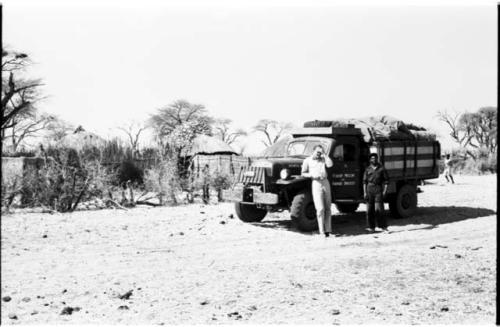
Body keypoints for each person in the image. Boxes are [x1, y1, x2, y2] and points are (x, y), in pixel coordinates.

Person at [301, 145, 334, 237]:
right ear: (313, 151)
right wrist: (311, 175)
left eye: (320, 152)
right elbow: (303, 173)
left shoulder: (323, 159)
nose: (319, 154)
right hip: (316, 183)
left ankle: (328, 230)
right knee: (320, 209)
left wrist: (325, 155)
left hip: (325, 182)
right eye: (317, 152)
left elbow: (330, 164)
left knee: (328, 207)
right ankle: (321, 231)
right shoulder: (307, 160)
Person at [363, 153, 389, 232]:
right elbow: (364, 182)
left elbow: (387, 181)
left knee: (379, 209)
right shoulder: (367, 169)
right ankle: (371, 227)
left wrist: (384, 191)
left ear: (377, 159)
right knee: (369, 210)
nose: (373, 160)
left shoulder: (381, 169)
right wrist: (365, 192)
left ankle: (384, 227)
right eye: (372, 158)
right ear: (370, 160)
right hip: (369, 189)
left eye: (375, 158)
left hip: (378, 189)